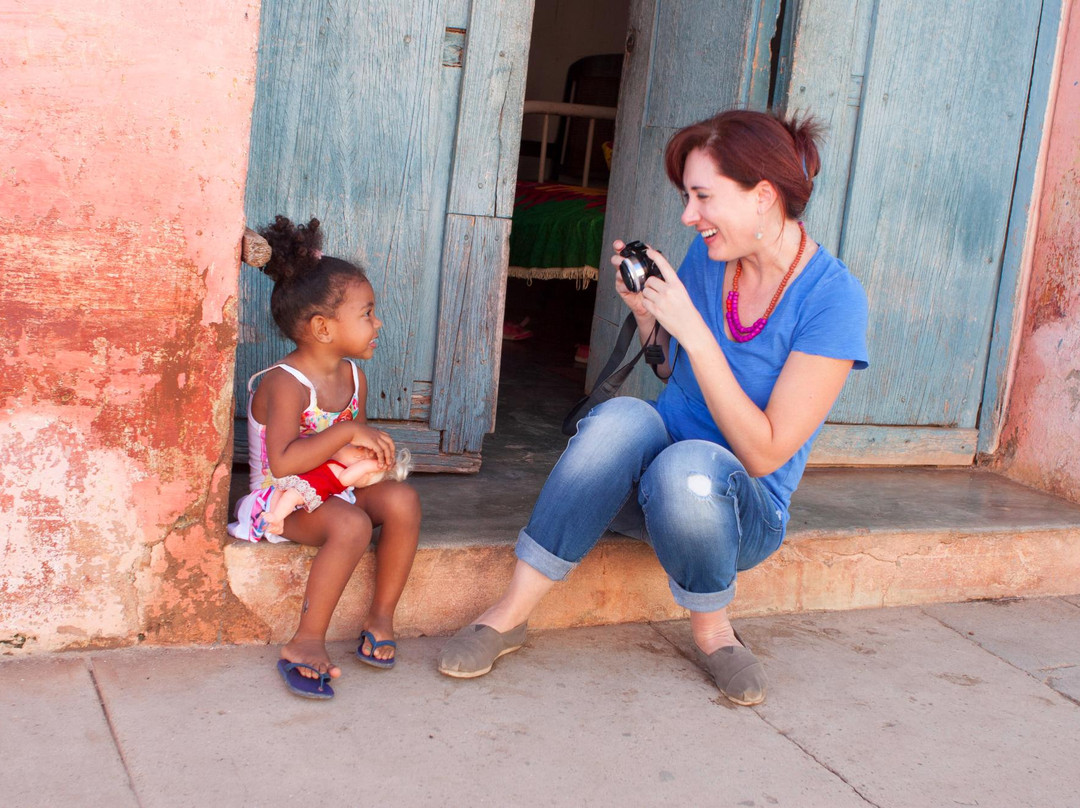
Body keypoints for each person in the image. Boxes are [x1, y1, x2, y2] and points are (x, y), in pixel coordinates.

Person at [437, 109, 868, 705]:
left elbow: (765, 454)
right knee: (621, 418)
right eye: (687, 197)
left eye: (703, 197)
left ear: (764, 196)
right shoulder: (711, 256)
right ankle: (510, 613)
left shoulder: (833, 299)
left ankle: (714, 633)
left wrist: (696, 333)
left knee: (689, 466)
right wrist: (648, 317)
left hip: (735, 513)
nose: (690, 216)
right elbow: (670, 370)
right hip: (648, 492)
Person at [228, 216, 421, 700]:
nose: (378, 323)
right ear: (322, 327)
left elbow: (348, 452)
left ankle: (381, 617)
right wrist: (349, 432)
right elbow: (284, 462)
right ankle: (306, 641)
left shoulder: (354, 376)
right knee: (352, 526)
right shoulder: (284, 383)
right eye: (368, 313)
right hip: (280, 501)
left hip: (333, 487)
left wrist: (371, 454)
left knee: (403, 501)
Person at [251, 445, 413, 540]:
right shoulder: (331, 460)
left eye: (361, 454)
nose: (350, 445)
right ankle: (276, 520)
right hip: (301, 481)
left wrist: (371, 465)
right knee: (280, 491)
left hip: (311, 489)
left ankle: (276, 517)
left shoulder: (343, 473)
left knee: (291, 496)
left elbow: (346, 478)